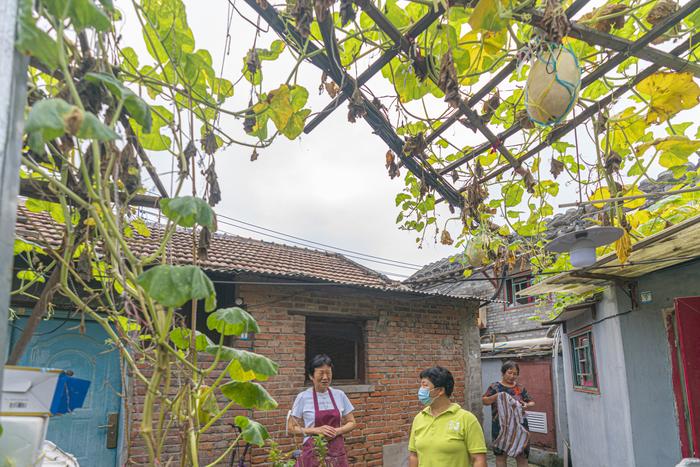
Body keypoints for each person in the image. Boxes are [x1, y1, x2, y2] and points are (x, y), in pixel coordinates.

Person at [408, 366, 487, 467]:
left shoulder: (467, 419)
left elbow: (478, 459)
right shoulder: (419, 418)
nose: (421, 391)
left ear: (440, 390)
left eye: (425, 386)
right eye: (421, 386)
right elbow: (414, 455)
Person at [289, 354, 356, 466]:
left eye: (328, 373)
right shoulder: (303, 397)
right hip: (313, 452)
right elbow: (291, 428)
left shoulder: (339, 395)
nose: (325, 377)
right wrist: (316, 430)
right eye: (321, 373)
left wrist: (336, 431)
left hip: (337, 452)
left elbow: (352, 422)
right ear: (311, 376)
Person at [482, 361, 535, 467]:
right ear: (503, 373)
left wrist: (526, 405)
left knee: (522, 456)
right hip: (501, 426)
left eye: (515, 374)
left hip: (520, 426)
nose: (512, 376)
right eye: (509, 373)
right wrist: (498, 396)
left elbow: (531, 402)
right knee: (501, 456)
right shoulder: (495, 387)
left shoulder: (520, 388)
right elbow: (485, 401)